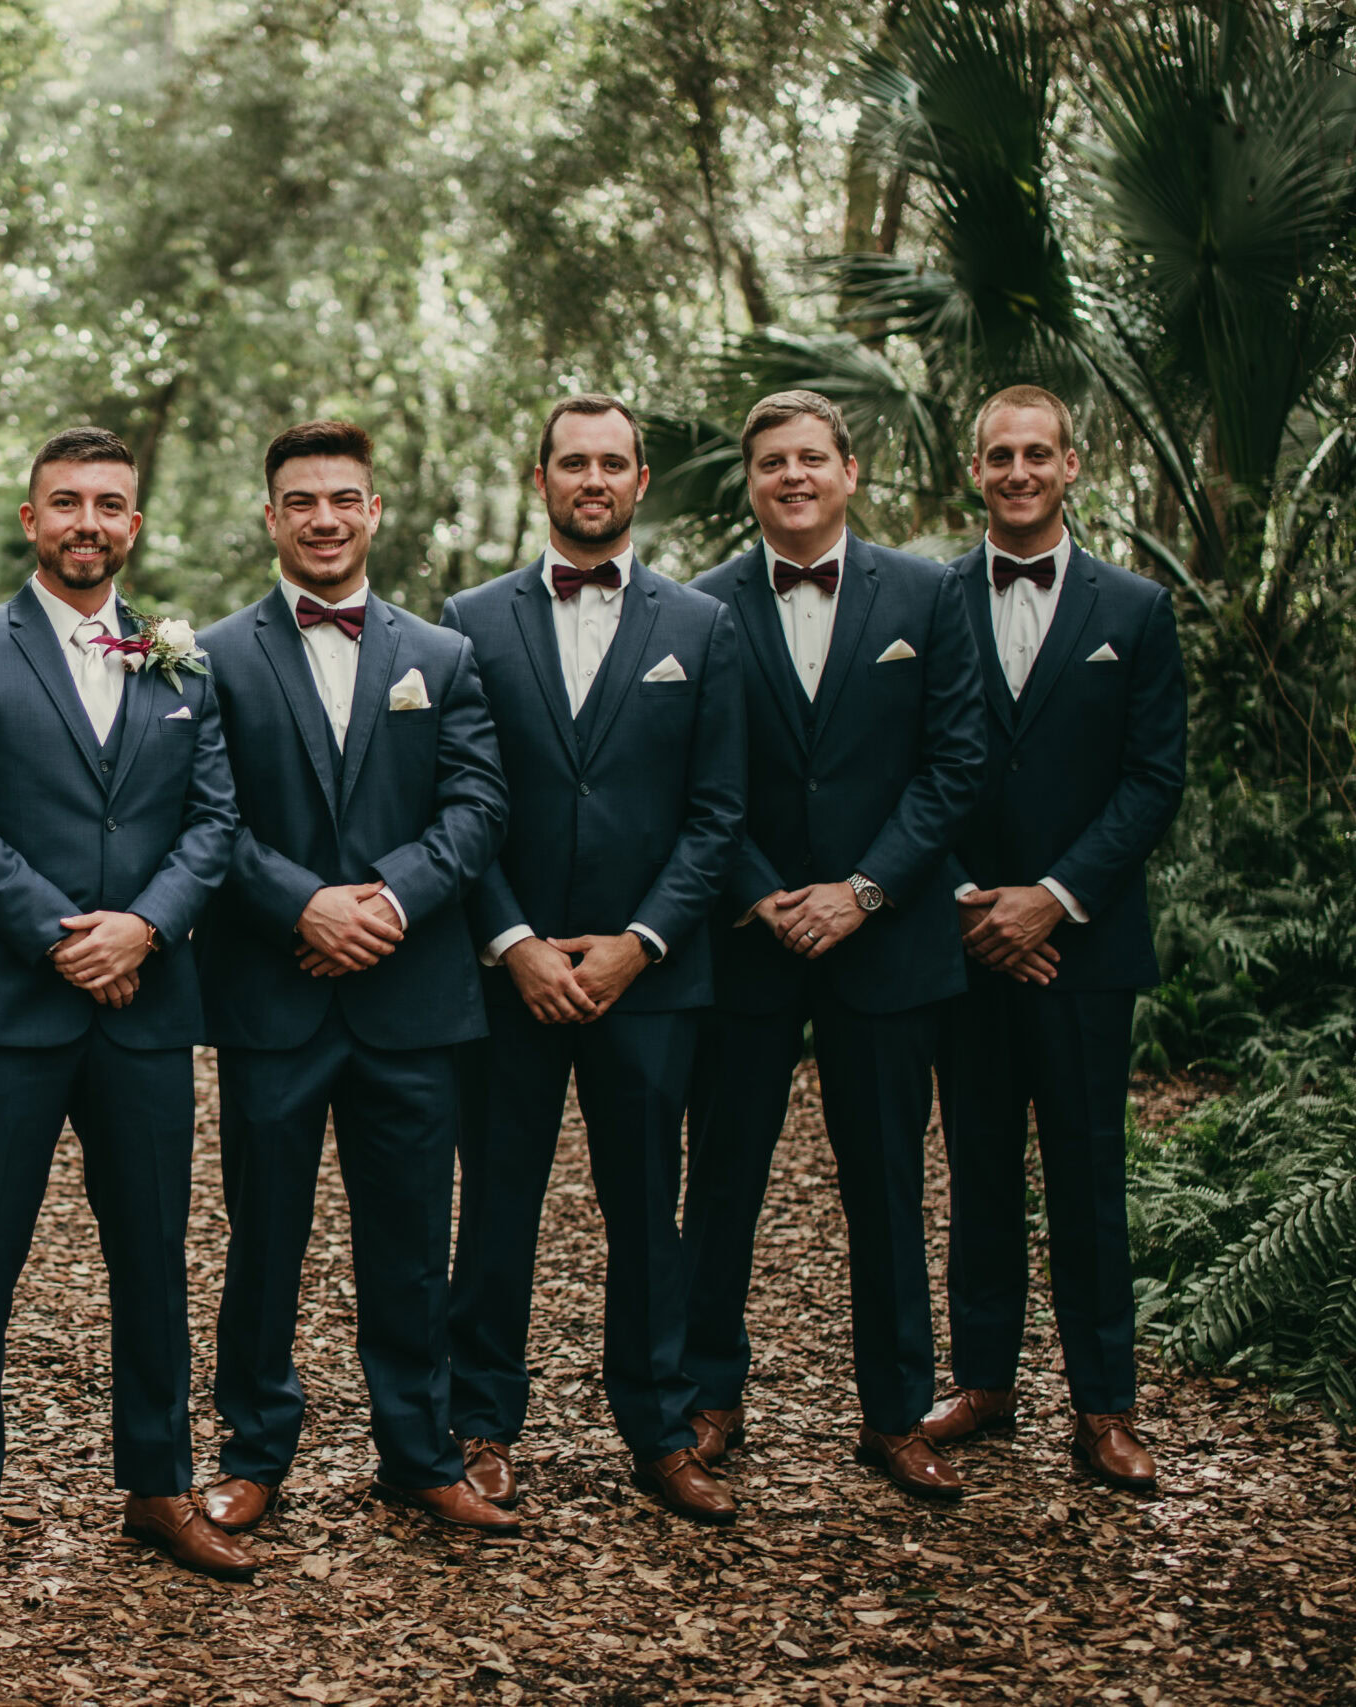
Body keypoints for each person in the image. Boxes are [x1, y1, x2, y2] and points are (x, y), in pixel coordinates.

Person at [0, 427, 246, 1590]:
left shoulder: (180, 662)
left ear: (134, 526)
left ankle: (157, 1487)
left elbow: (215, 825)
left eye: (108, 504)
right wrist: (70, 937)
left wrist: (143, 928)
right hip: (6, 1008)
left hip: (146, 1009)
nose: (86, 521)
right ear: (29, 520)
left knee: (151, 1256)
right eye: (65, 503)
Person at [193, 420, 513, 1538]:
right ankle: (253, 1450)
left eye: (343, 498)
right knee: (262, 1241)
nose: (323, 518)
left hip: (409, 997)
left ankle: (418, 1454)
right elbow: (205, 817)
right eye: (300, 500)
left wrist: (383, 898)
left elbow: (477, 809)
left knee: (412, 1243)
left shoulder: (445, 655)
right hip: (271, 994)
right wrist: (303, 904)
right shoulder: (212, 656)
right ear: (269, 516)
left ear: (375, 512)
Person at [441, 394, 747, 1524]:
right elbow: (457, 799)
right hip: (506, 973)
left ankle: (661, 1432)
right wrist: (512, 940)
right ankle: (479, 1423)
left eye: (611, 463)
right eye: (572, 463)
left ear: (639, 482)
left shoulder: (702, 626)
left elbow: (716, 815)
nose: (592, 480)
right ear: (541, 481)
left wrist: (638, 943)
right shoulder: (467, 619)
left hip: (651, 977)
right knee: (498, 1204)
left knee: (645, 1209)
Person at [680, 390, 985, 1500]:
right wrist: (766, 896)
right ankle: (706, 1397)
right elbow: (701, 777)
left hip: (886, 938)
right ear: (750, 482)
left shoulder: (929, 591)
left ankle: (895, 1414)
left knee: (889, 1185)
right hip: (749, 944)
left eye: (812, 458)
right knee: (719, 1180)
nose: (793, 477)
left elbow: (955, 763)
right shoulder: (703, 608)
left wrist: (862, 892)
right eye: (772, 463)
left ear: (848, 472)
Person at [926, 385, 1185, 1494]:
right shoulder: (927, 601)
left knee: (1087, 1175)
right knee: (978, 1165)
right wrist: (973, 902)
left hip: (1086, 946)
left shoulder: (1135, 608)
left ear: (1072, 466)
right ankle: (981, 1382)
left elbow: (1151, 779)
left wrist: (1055, 898)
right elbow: (903, 771)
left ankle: (1104, 1406)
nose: (1019, 471)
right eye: (999, 455)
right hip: (962, 938)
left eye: (1038, 454)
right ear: (973, 471)